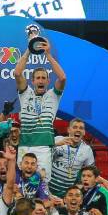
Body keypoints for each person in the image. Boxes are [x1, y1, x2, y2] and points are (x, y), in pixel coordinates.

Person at [15, 38, 67, 181]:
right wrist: (29, 50)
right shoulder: (26, 94)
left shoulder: (53, 96)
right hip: (25, 145)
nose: (41, 80)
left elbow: (62, 78)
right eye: (37, 78)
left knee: (42, 183)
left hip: (44, 147)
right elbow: (17, 73)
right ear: (33, 81)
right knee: (21, 184)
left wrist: (48, 55)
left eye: (44, 78)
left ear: (48, 81)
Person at [49, 118, 95, 198]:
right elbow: (42, 154)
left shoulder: (87, 150)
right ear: (69, 130)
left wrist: (79, 186)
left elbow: (91, 172)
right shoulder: (57, 140)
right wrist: (56, 144)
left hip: (67, 195)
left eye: (81, 128)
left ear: (84, 132)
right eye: (75, 127)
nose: (78, 130)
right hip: (48, 190)